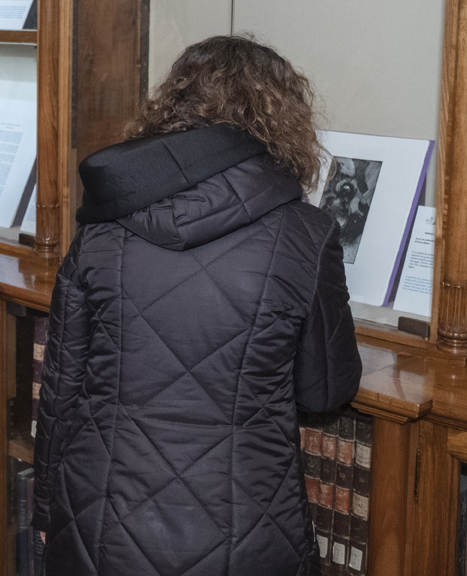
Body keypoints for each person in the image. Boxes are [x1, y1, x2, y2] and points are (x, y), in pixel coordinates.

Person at [33, 35, 363, 576]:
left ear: (173, 107)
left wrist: (45, 509)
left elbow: (61, 390)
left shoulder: (102, 225)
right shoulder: (307, 234)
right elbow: (324, 390)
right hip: (246, 530)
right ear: (282, 122)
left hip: (99, 525)